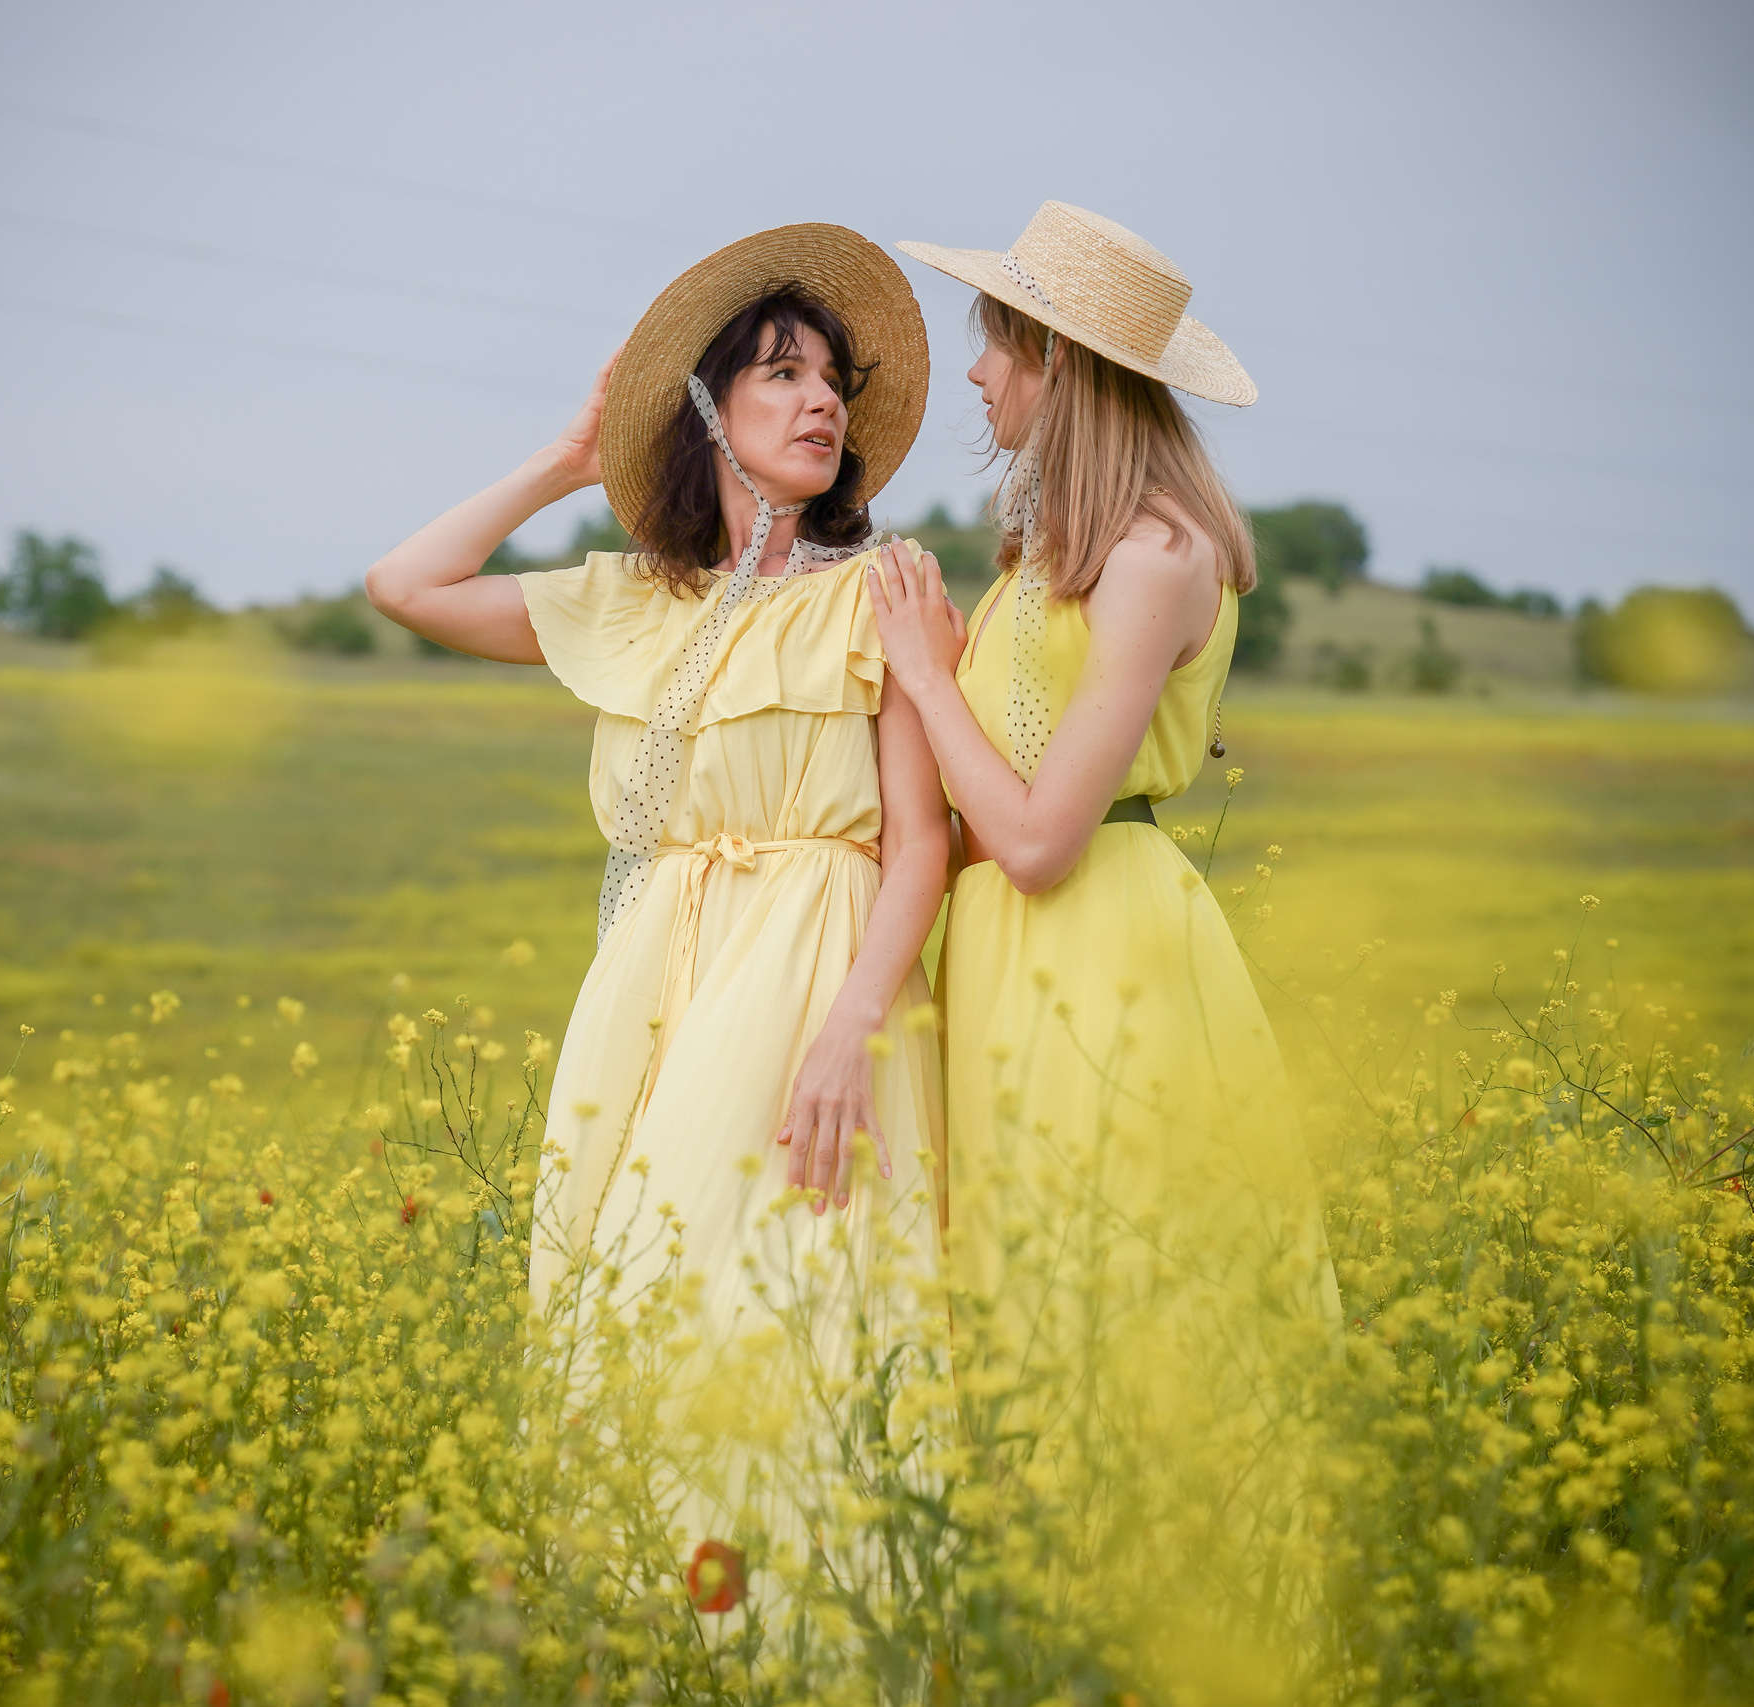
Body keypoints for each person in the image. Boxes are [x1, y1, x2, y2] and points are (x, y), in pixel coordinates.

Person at [868, 202, 1339, 1640]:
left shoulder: (1158, 554)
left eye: (994, 348)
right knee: (1016, 1310)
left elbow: (1035, 831)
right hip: (1009, 958)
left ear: (1057, 361)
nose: (975, 379)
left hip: (1101, 947)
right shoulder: (1048, 552)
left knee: (1125, 1303)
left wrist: (923, 665)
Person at [364, 225, 949, 1375]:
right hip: (649, 976)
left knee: (786, 1306)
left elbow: (922, 843)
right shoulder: (632, 599)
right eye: (781, 374)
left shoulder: (883, 592)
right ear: (706, 414)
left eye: (833, 381)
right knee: (631, 1294)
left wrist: (850, 1031)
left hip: (817, 977)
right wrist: (566, 460)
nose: (821, 402)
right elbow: (405, 586)